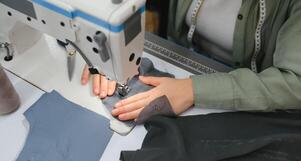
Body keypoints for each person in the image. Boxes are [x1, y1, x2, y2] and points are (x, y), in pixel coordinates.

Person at [81, 0, 301, 121]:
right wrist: (95, 41)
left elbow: (295, 82)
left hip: (252, 98)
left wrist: (193, 90)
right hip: (179, 61)